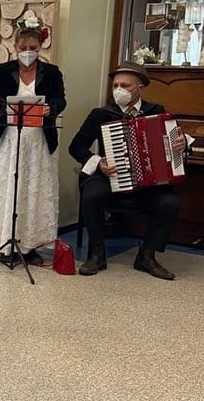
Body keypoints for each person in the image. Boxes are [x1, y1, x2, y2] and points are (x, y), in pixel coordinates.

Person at [69, 61, 188, 280]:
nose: (118, 90)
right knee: (92, 193)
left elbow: (171, 145)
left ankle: (147, 256)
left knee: (170, 202)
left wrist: (181, 144)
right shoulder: (101, 114)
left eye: (125, 85)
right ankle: (97, 254)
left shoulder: (156, 111)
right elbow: (76, 147)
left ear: (139, 87)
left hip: (146, 183)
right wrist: (99, 162)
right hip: (109, 178)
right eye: (115, 85)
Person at [0, 25, 67, 264]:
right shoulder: (3, 71)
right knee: (8, 187)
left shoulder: (52, 72)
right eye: (23, 48)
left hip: (38, 139)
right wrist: (10, 106)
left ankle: (29, 244)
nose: (27, 52)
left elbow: (60, 99)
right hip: (8, 137)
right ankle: (2, 241)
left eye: (32, 47)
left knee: (32, 188)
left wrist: (51, 108)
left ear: (40, 47)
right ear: (15, 47)